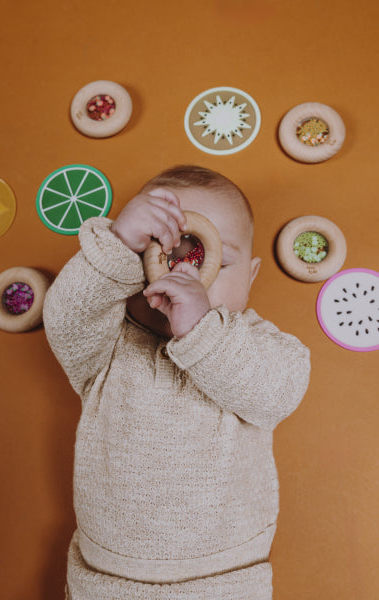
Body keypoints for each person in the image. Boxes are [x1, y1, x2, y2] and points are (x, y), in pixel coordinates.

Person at [43, 165, 310, 600]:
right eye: (161, 254)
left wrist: (204, 329)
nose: (183, 274)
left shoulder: (255, 345)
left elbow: (279, 392)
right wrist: (115, 248)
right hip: (108, 579)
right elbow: (67, 320)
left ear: (251, 277)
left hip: (225, 579)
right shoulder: (107, 341)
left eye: (214, 263)